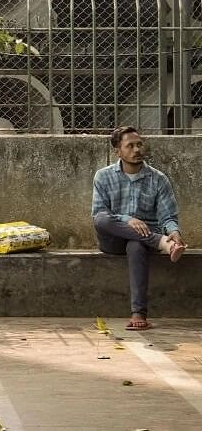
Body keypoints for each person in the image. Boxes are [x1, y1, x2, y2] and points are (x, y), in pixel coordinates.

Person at [92, 126, 187, 331]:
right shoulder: (103, 176)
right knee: (101, 219)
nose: (137, 150)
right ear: (118, 151)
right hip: (113, 240)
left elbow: (167, 216)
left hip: (142, 240)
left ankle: (138, 314)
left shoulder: (158, 179)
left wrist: (174, 233)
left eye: (139, 144)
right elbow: (100, 213)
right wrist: (127, 220)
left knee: (136, 245)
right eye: (130, 146)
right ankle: (162, 243)